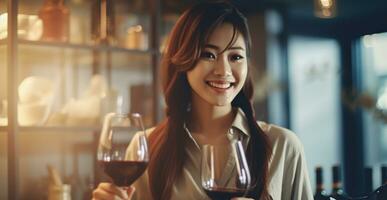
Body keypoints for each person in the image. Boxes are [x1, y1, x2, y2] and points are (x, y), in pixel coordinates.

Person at [92, 1, 313, 200]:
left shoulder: (283, 146)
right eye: (208, 54)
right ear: (183, 60)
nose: (224, 70)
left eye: (235, 57)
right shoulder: (147, 145)